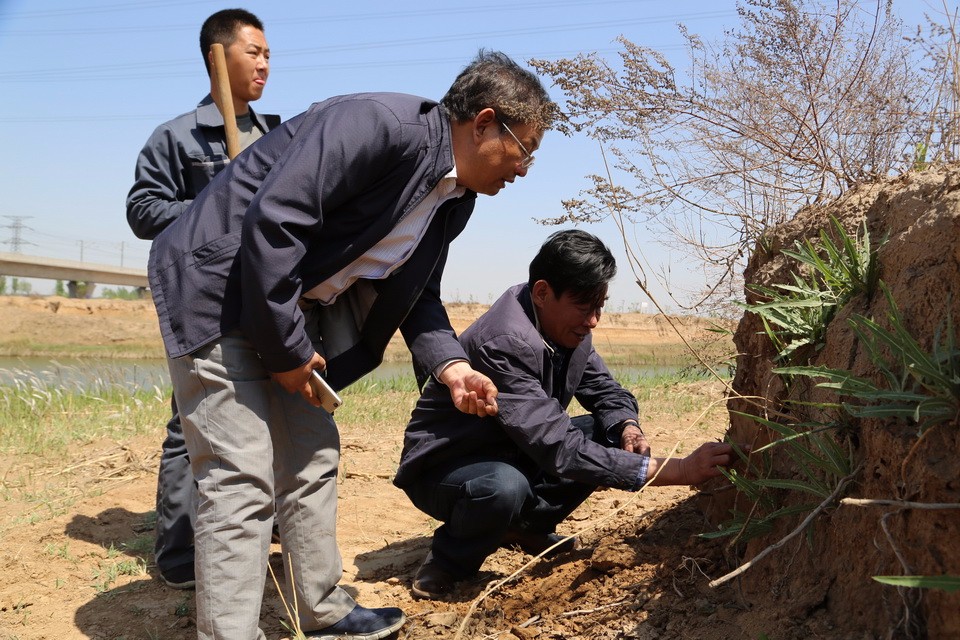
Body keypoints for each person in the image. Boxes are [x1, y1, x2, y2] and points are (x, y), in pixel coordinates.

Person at [147, 50, 555, 639]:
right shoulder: (377, 126)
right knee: (241, 472)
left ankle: (322, 608)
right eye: (526, 147)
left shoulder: (452, 198)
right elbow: (275, 221)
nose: (524, 167)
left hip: (283, 307)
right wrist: (288, 351)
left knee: (313, 456)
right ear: (485, 121)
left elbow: (417, 295)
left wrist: (454, 368)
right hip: (218, 289)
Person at [394, 229, 738, 600]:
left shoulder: (568, 327)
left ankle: (524, 527)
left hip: (514, 452)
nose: (594, 320)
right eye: (585, 306)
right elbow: (559, 448)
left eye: (600, 306)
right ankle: (448, 562)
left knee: (605, 432)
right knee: (501, 487)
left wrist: (628, 426)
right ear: (543, 293)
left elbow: (607, 391)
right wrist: (679, 470)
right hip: (448, 468)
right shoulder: (504, 341)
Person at [125, 9, 279, 590]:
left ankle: (256, 533)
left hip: (266, 299)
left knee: (268, 418)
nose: (264, 64)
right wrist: (213, 209)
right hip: (204, 302)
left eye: (269, 55)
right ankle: (181, 552)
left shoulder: (277, 137)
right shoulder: (177, 136)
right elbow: (144, 210)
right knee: (190, 423)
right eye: (254, 52)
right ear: (219, 56)